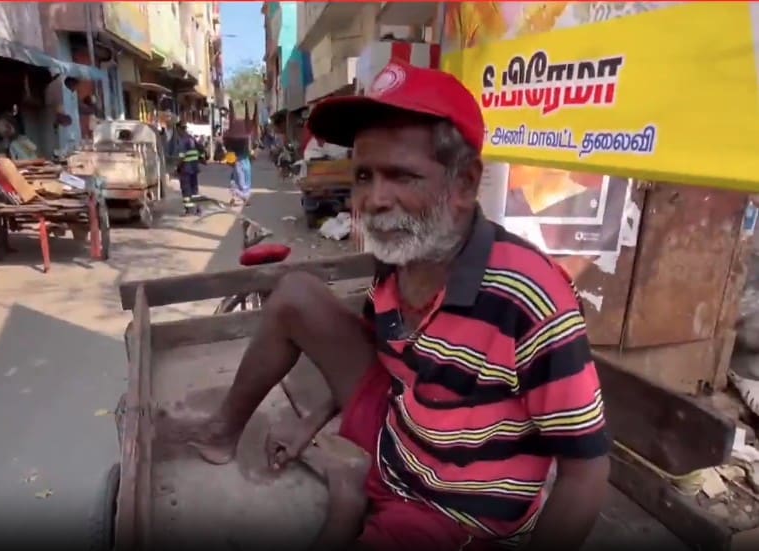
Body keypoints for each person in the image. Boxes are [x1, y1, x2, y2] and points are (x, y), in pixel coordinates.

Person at [169, 60, 610, 551]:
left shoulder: (529, 296)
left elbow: (586, 471)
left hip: (450, 508)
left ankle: (351, 499)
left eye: (401, 176)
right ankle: (223, 433)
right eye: (363, 175)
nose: (374, 199)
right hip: (397, 434)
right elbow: (380, 360)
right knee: (295, 294)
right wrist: (308, 421)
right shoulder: (397, 261)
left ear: (464, 185)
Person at [175, 123, 202, 216]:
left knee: (186, 190)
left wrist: (177, 168)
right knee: (194, 189)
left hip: (186, 169)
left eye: (177, 130)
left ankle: (189, 211)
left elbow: (182, 156)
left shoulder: (182, 140)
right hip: (194, 168)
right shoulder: (192, 138)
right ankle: (198, 209)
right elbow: (200, 149)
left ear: (179, 129)